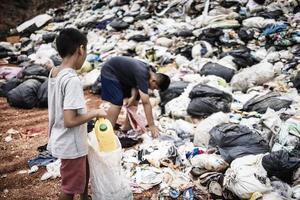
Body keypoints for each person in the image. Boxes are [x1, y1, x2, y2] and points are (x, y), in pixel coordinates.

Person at [47, 28, 106, 200]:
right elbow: (70, 120)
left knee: (82, 170)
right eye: (86, 50)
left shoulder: (55, 72)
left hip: (63, 138)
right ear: (81, 49)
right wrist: (95, 112)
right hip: (70, 142)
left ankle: (85, 197)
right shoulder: (71, 80)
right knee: (70, 188)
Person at [100, 56, 170, 137]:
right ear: (153, 80)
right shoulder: (143, 74)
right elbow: (146, 102)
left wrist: (133, 97)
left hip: (123, 75)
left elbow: (136, 82)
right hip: (110, 71)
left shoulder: (151, 72)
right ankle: (107, 131)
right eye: (154, 87)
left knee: (136, 99)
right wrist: (152, 125)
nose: (152, 89)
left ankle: (127, 126)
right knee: (117, 102)